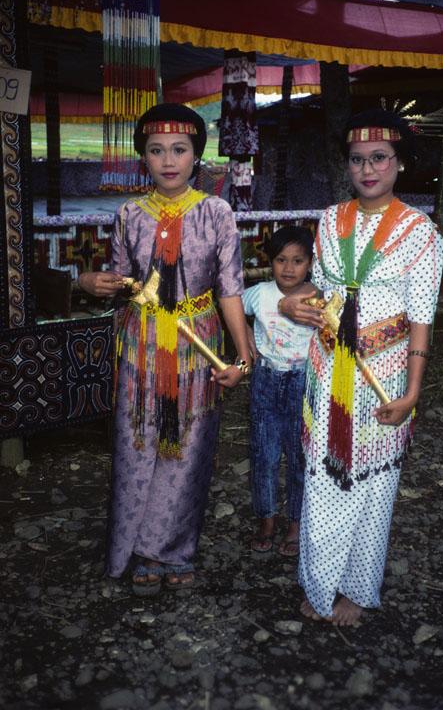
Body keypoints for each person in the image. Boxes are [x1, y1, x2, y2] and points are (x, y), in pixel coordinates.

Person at [279, 109, 443, 626]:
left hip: (386, 371)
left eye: (379, 158)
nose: (368, 169)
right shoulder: (330, 220)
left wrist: (412, 391)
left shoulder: (421, 233)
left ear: (400, 164)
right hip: (328, 368)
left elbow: (421, 321)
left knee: (373, 484)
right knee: (323, 474)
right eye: (357, 160)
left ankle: (356, 588)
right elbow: (319, 291)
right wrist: (291, 304)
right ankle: (318, 579)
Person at [78, 103, 251, 596]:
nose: (168, 160)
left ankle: (172, 549)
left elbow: (230, 290)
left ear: (197, 155)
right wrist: (93, 281)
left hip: (198, 346)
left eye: (180, 149)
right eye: (156, 151)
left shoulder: (217, 212)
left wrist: (241, 358)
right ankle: (134, 549)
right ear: (144, 159)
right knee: (139, 444)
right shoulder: (130, 214)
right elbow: (118, 281)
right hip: (142, 345)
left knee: (189, 447)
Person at [242, 226, 315, 557]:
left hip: (304, 384)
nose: (289, 268)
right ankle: (267, 520)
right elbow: (228, 306)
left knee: (302, 458)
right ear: (269, 262)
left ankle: (296, 524)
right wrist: (243, 337)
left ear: (311, 263)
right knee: (264, 455)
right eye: (281, 260)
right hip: (265, 382)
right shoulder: (259, 293)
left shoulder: (320, 297)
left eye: (298, 260)